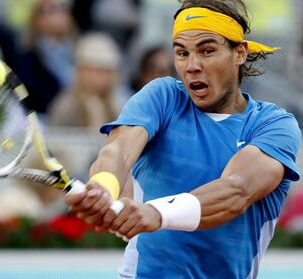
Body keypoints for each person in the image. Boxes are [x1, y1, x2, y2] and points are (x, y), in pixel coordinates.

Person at [65, 0, 301, 278]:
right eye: (182, 53)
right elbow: (117, 151)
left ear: (240, 53)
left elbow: (236, 191)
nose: (192, 66)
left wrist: (156, 213)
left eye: (207, 51)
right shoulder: (162, 96)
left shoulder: (274, 124)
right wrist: (104, 186)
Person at [48, 32, 125, 127]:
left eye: (106, 71)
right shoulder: (66, 106)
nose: (100, 77)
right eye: (94, 70)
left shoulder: (120, 104)